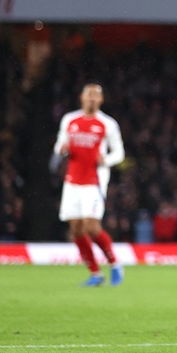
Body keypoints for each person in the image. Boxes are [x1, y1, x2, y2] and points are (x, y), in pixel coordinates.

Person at [53, 83, 125, 287]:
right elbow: (59, 146)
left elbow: (119, 153)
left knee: (91, 227)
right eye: (89, 95)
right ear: (81, 97)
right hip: (72, 181)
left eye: (96, 96)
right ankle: (95, 273)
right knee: (76, 229)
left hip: (94, 182)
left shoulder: (108, 124)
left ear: (101, 100)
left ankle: (115, 263)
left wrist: (106, 160)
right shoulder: (70, 120)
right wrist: (62, 149)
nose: (92, 98)